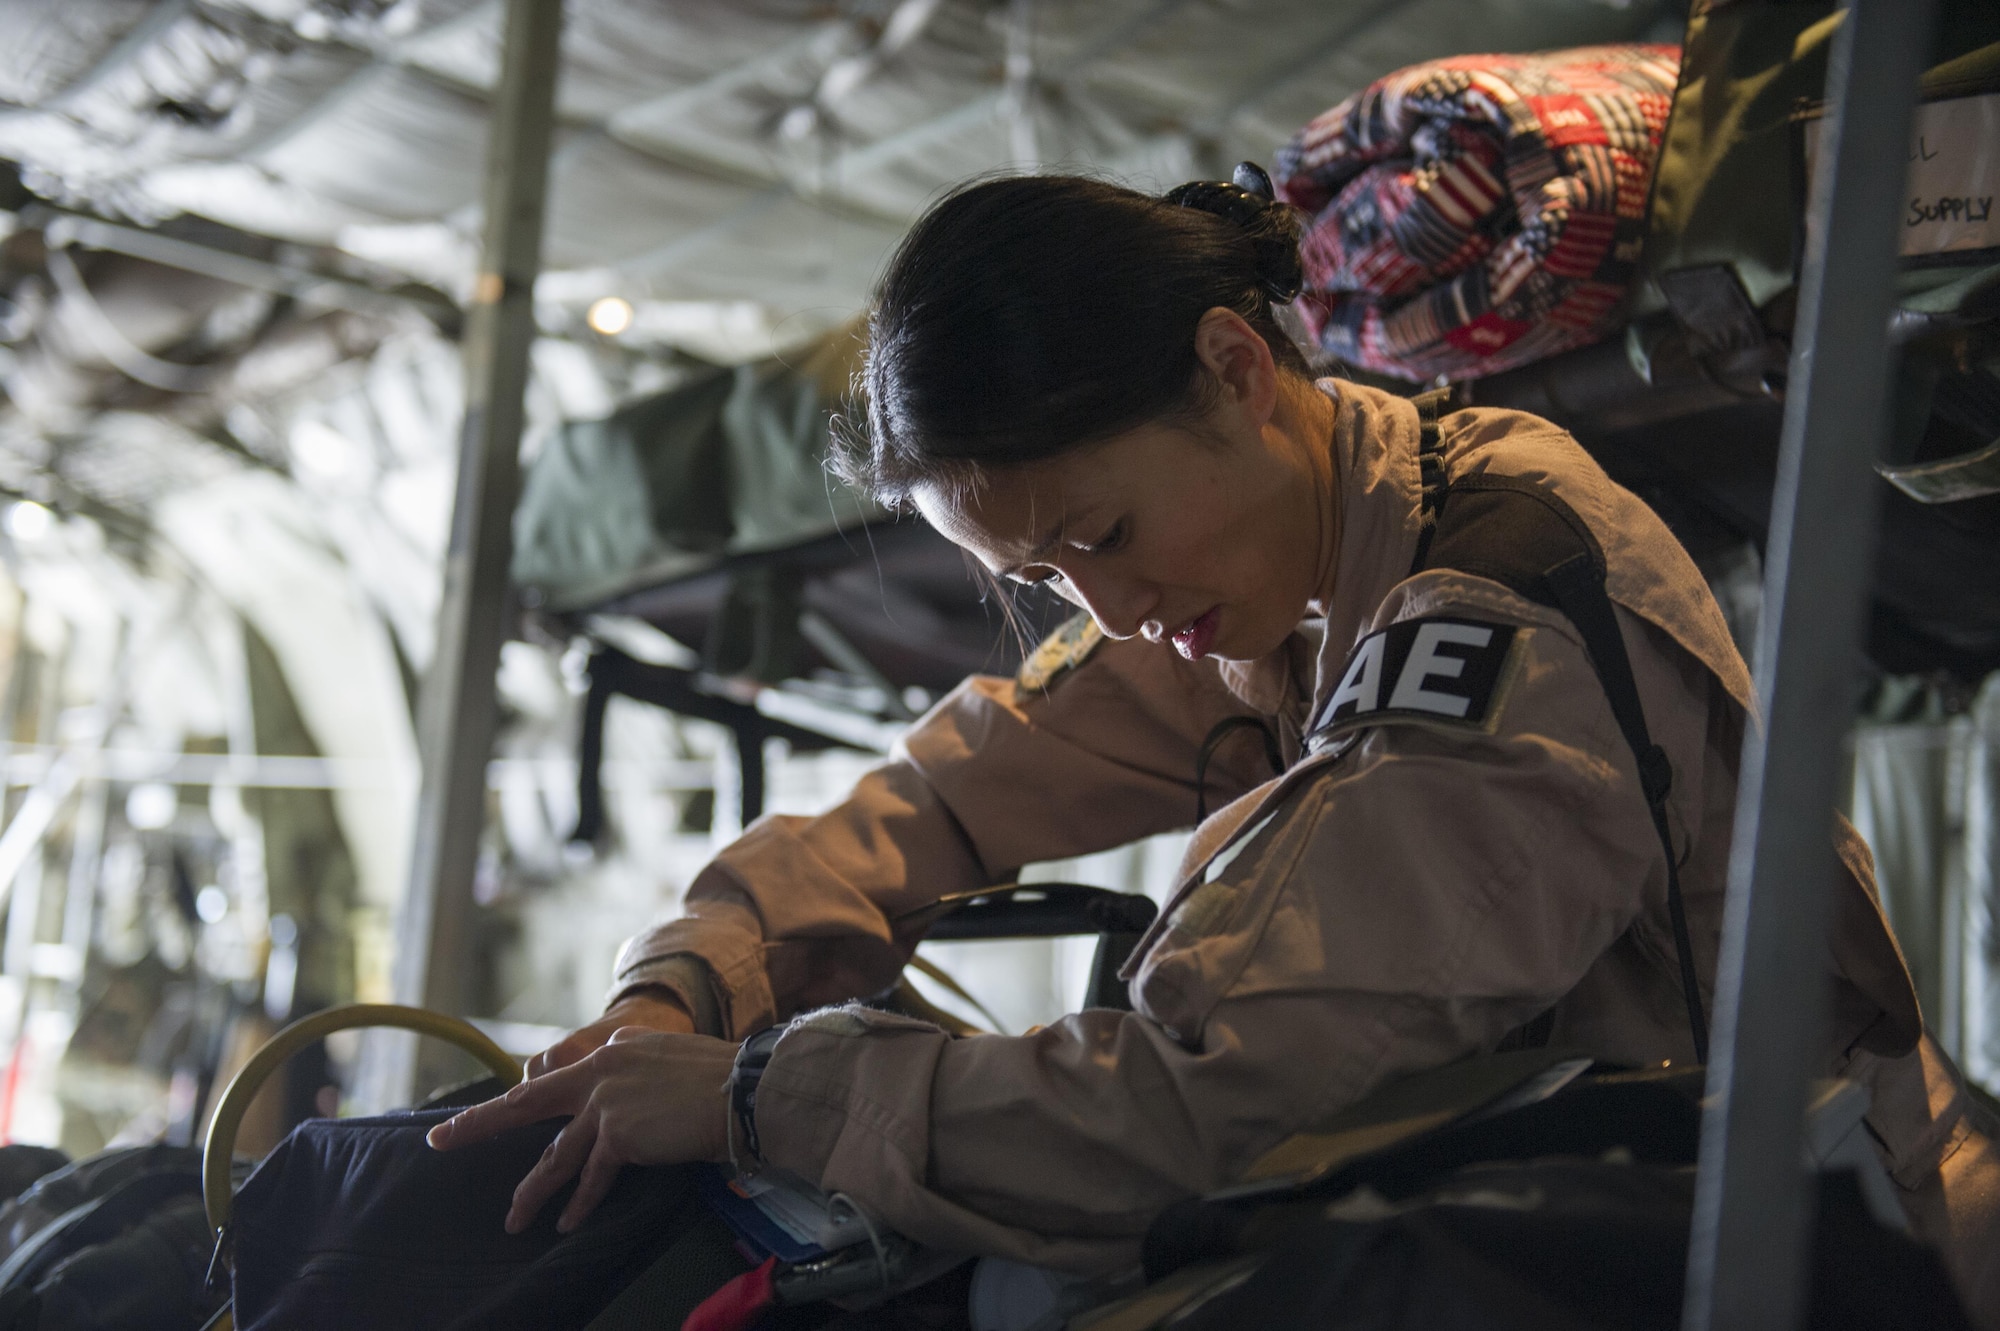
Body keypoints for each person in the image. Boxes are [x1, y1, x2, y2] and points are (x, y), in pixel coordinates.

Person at [429, 171, 2000, 1321]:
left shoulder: (1494, 619)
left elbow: (1170, 1110)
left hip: (1802, 1259)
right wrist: (681, 983)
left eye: (1101, 535)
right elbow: (928, 804)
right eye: (1045, 579)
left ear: (1238, 372)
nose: (1104, 613)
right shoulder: (1285, 562)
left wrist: (757, 1095)